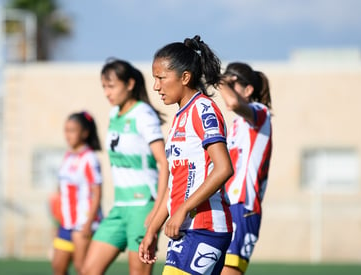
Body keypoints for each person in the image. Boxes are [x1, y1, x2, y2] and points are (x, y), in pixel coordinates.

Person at [139, 35, 234, 275]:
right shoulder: (180, 118)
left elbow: (224, 168)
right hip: (185, 229)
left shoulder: (203, 110)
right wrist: (152, 229)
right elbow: (175, 185)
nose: (155, 86)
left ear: (184, 77)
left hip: (206, 228)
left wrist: (181, 209)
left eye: (161, 78)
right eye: (154, 79)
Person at [82, 59, 168, 275]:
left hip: (143, 207)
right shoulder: (113, 115)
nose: (106, 92)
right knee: (88, 270)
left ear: (129, 84)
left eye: (111, 86)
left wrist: (158, 209)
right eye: (104, 87)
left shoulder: (143, 114)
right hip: (119, 208)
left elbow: (165, 163)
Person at [218, 62, 273, 275]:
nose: (226, 89)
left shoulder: (260, 112)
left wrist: (218, 79)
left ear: (248, 90)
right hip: (227, 205)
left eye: (232, 84)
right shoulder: (236, 125)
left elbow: (232, 102)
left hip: (243, 207)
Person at [51, 111, 103, 275]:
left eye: (72, 130)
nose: (68, 134)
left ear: (84, 133)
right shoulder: (68, 156)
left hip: (83, 223)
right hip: (66, 223)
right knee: (58, 266)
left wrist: (88, 223)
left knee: (83, 269)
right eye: (66, 130)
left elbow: (97, 192)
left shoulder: (89, 158)